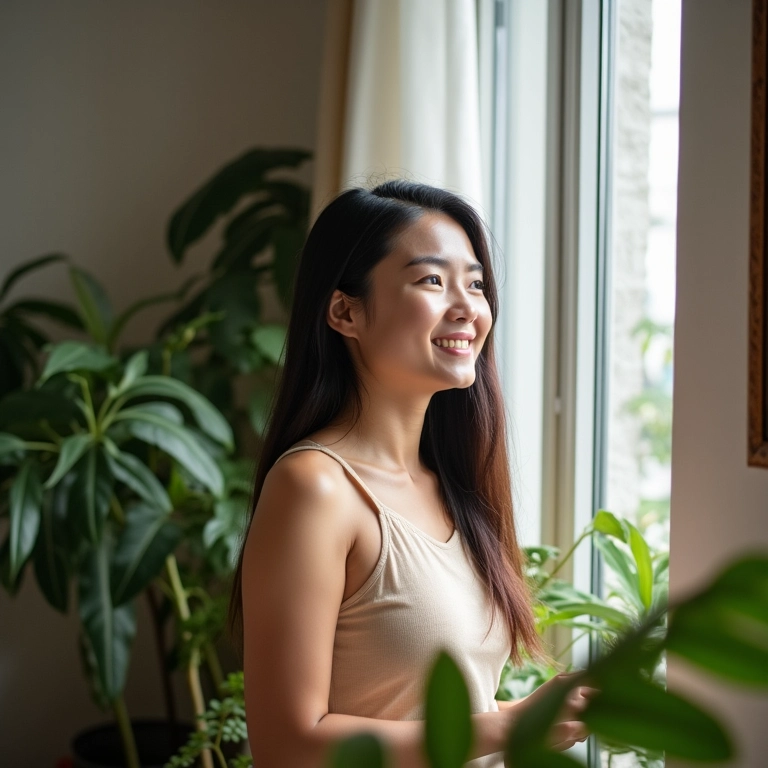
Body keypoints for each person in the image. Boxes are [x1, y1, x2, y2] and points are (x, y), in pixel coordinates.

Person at [228, 180, 595, 767]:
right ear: (346, 311)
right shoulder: (316, 488)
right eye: (432, 280)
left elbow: (411, 714)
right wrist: (505, 730)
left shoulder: (455, 487)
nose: (469, 308)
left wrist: (531, 717)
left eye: (475, 284)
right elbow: (288, 745)